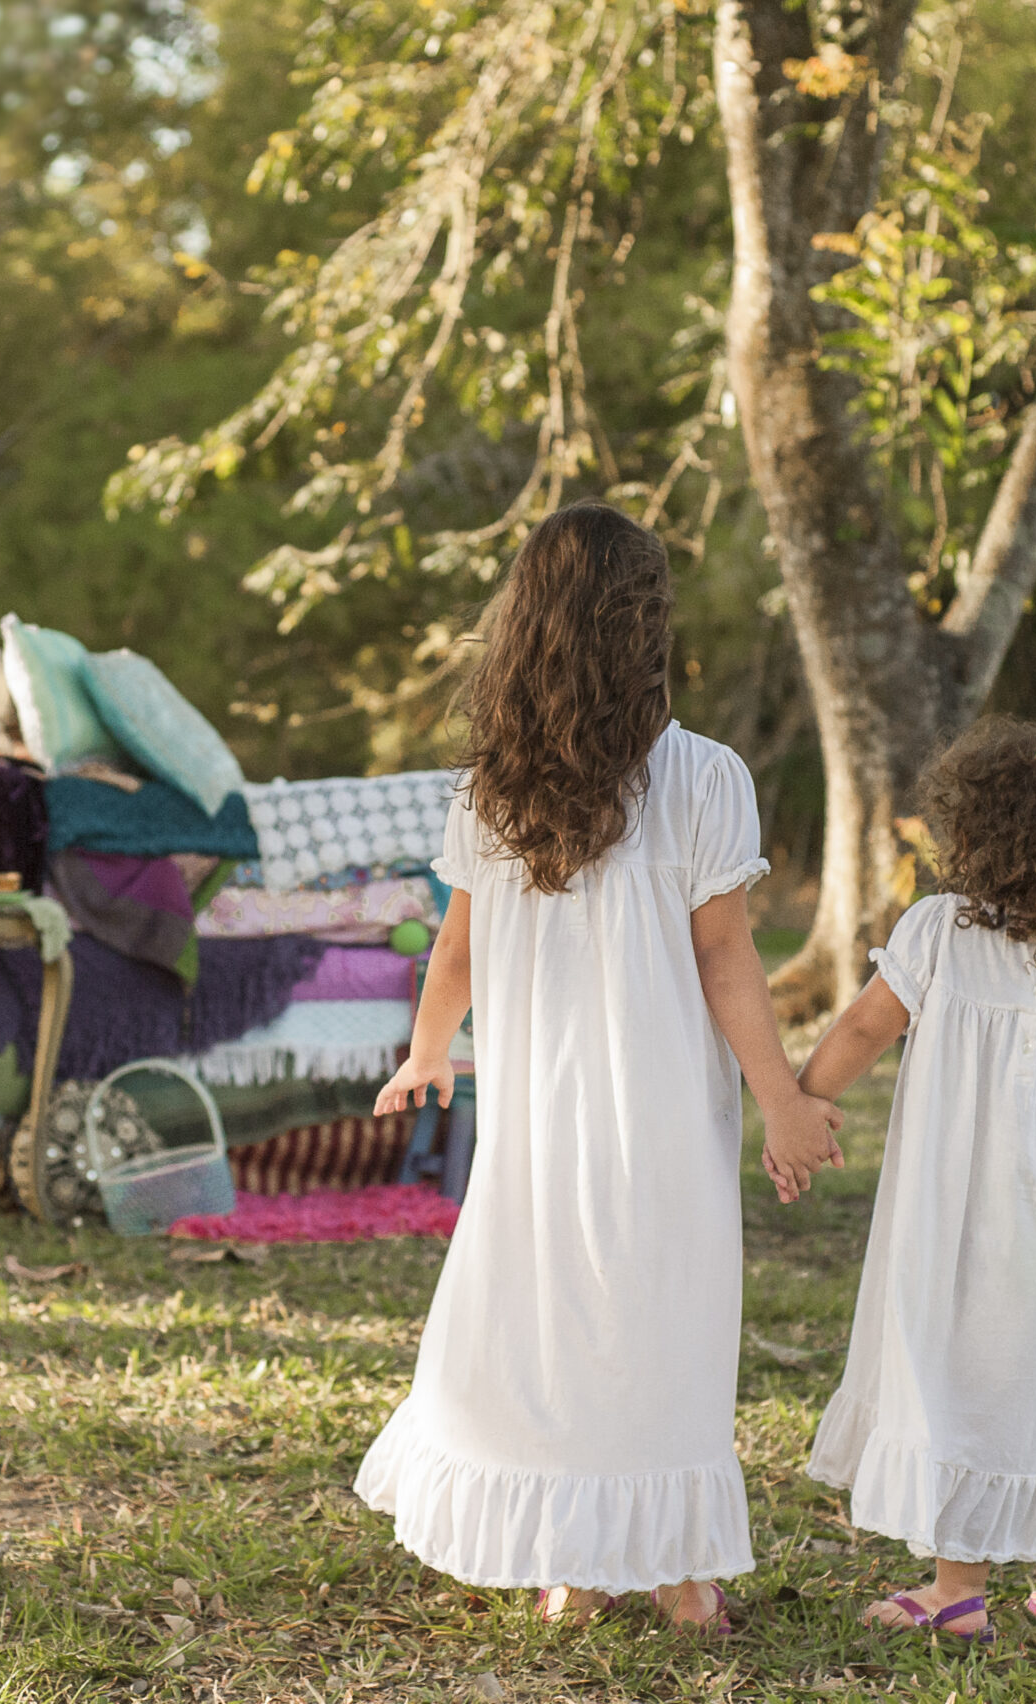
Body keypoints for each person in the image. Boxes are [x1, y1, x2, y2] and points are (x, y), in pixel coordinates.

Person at [356, 502, 846, 1635]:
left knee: (554, 1326)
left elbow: (458, 950)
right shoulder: (705, 777)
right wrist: (782, 1101)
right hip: (665, 1112)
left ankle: (579, 1570)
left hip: (537, 1119)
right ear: (647, 630)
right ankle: (675, 1575)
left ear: (523, 631)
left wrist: (429, 1051)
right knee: (663, 1328)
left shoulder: (492, 790)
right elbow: (724, 960)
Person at [796, 718, 1036, 1644]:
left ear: (968, 836)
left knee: (957, 1386)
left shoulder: (936, 933)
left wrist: (803, 1101)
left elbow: (860, 1031)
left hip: (954, 1224)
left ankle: (957, 1591)